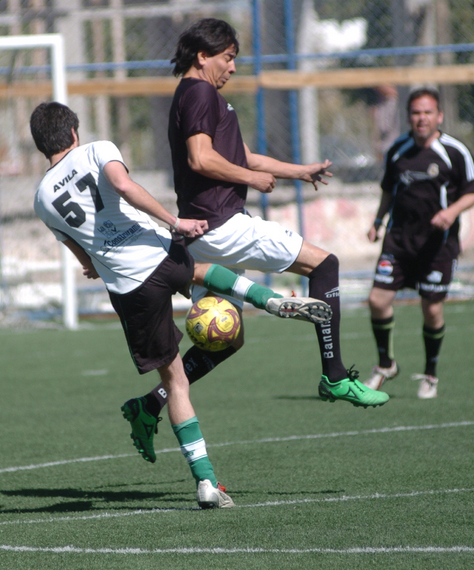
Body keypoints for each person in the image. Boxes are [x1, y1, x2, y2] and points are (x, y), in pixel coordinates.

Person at [29, 101, 333, 509]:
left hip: (129, 290)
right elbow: (123, 186)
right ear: (73, 133)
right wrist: (175, 222)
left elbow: (79, 253)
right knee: (201, 271)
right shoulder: (98, 150)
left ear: (40, 145)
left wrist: (93, 264)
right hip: (158, 254)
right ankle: (269, 299)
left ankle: (205, 481)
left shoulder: (41, 199)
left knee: (176, 384)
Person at [137, 17, 389, 443]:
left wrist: (299, 171)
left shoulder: (197, 96)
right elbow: (201, 158)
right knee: (325, 265)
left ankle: (149, 404)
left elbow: (243, 156)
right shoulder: (199, 93)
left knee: (226, 340)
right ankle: (334, 376)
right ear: (203, 56)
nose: (233, 67)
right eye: (228, 57)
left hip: (202, 235)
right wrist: (250, 180)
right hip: (223, 225)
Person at [364, 87, 474, 398]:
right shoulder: (398, 150)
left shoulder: (455, 151)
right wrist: (377, 222)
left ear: (439, 116)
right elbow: (388, 190)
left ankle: (430, 374)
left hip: (437, 244)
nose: (422, 118)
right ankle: (386, 365)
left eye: (428, 112)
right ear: (408, 117)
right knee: (377, 300)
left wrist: (452, 212)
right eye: (416, 113)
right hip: (399, 240)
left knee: (431, 309)